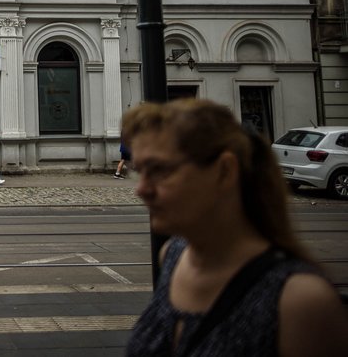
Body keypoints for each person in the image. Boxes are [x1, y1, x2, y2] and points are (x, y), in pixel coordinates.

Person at [121, 98, 348, 357]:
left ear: (224, 171)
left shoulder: (301, 301)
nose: (142, 189)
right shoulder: (172, 256)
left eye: (159, 170)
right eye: (139, 171)